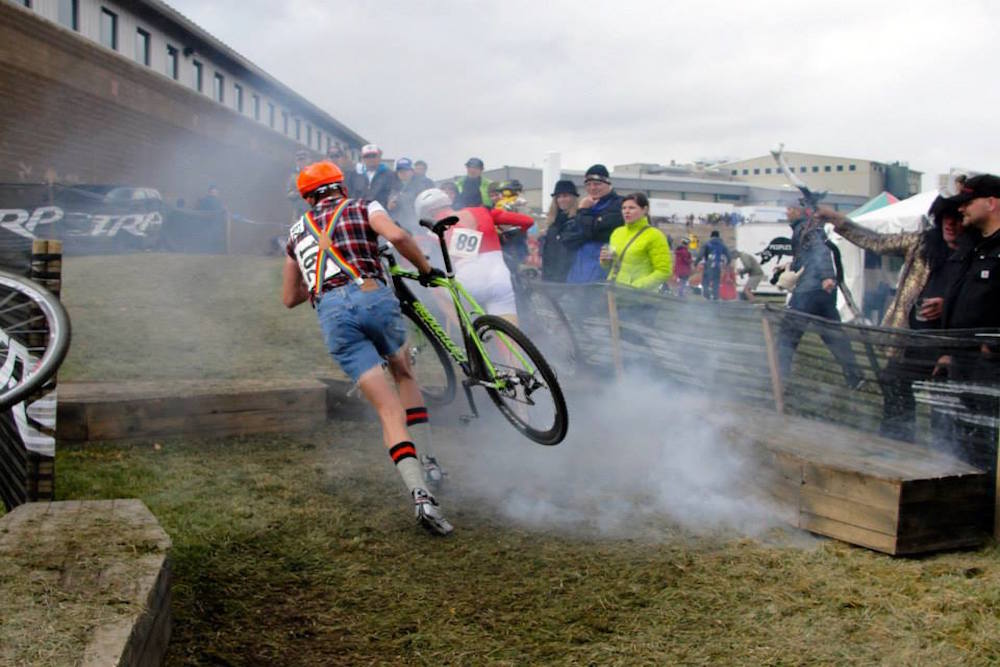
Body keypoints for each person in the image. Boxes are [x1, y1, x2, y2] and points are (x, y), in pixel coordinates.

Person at [281, 161, 452, 536]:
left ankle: (420, 495)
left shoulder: (296, 232)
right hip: (372, 295)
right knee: (404, 372)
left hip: (332, 315)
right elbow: (400, 238)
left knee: (388, 411)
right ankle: (430, 459)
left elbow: (288, 298)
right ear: (339, 186)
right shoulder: (363, 205)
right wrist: (424, 269)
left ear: (307, 197)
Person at [816, 197, 968, 442]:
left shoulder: (975, 253)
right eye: (945, 219)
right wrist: (840, 221)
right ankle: (897, 444)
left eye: (957, 219)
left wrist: (948, 304)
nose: (950, 225)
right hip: (910, 338)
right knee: (893, 382)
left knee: (945, 402)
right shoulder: (922, 243)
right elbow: (878, 242)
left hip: (949, 342)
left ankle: (945, 459)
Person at [933, 175, 1000, 470]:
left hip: (991, 368)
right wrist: (948, 351)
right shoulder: (972, 247)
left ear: (992, 202)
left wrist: (992, 348)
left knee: (989, 446)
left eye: (967, 202)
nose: (961, 210)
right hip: (962, 363)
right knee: (961, 445)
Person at [415, 187, 534, 322]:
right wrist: (507, 236)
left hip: (470, 284)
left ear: (427, 214)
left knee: (437, 289)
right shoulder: (482, 211)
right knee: (509, 337)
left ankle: (469, 332)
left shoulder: (433, 230)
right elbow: (528, 221)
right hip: (501, 280)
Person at [777, 205, 864, 389]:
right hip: (823, 294)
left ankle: (779, 377)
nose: (787, 212)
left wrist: (826, 276)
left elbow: (821, 251)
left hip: (809, 291)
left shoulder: (804, 228)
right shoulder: (811, 228)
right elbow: (810, 256)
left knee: (788, 334)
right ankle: (854, 377)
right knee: (834, 336)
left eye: (790, 209)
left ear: (800, 211)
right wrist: (790, 265)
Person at [564, 164, 624, 283]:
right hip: (579, 270)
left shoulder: (619, 204)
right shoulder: (588, 204)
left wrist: (583, 212)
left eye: (597, 184)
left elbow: (595, 231)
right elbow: (568, 236)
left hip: (602, 271)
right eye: (588, 184)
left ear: (608, 184)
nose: (592, 188)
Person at [600, 192, 672, 290]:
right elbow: (609, 265)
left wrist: (634, 288)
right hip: (614, 293)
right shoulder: (617, 232)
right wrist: (605, 261)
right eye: (624, 208)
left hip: (638, 297)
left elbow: (664, 271)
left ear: (645, 210)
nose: (626, 211)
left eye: (631, 208)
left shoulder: (655, 235)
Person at [540, 180, 579, 283]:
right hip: (549, 274)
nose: (561, 199)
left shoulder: (578, 219)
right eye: (559, 196)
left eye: (565, 196)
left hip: (568, 277)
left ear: (573, 198)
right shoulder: (552, 221)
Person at [354, 144, 399, 208]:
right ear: (362, 159)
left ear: (379, 157)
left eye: (373, 156)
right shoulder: (356, 174)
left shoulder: (390, 174)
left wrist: (392, 200)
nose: (370, 159)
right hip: (360, 211)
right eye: (367, 156)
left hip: (381, 211)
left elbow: (395, 190)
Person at [387, 158, 423, 232]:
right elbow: (387, 207)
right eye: (400, 170)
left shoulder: (420, 186)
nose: (403, 173)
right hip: (398, 225)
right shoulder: (391, 186)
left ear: (412, 171)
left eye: (406, 170)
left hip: (417, 226)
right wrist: (389, 206)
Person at [696, 230, 731, 300]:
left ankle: (707, 296)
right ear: (718, 236)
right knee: (716, 282)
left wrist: (696, 263)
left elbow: (700, 255)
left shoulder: (707, 244)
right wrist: (727, 264)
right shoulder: (723, 245)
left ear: (711, 236)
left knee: (705, 282)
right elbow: (729, 257)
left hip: (708, 266)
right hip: (717, 266)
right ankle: (715, 297)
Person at [286, 150, 311, 219]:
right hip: (298, 211)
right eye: (299, 160)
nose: (301, 162)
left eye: (303, 159)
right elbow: (289, 193)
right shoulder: (293, 176)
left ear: (308, 160)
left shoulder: (313, 174)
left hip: (311, 209)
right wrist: (297, 193)